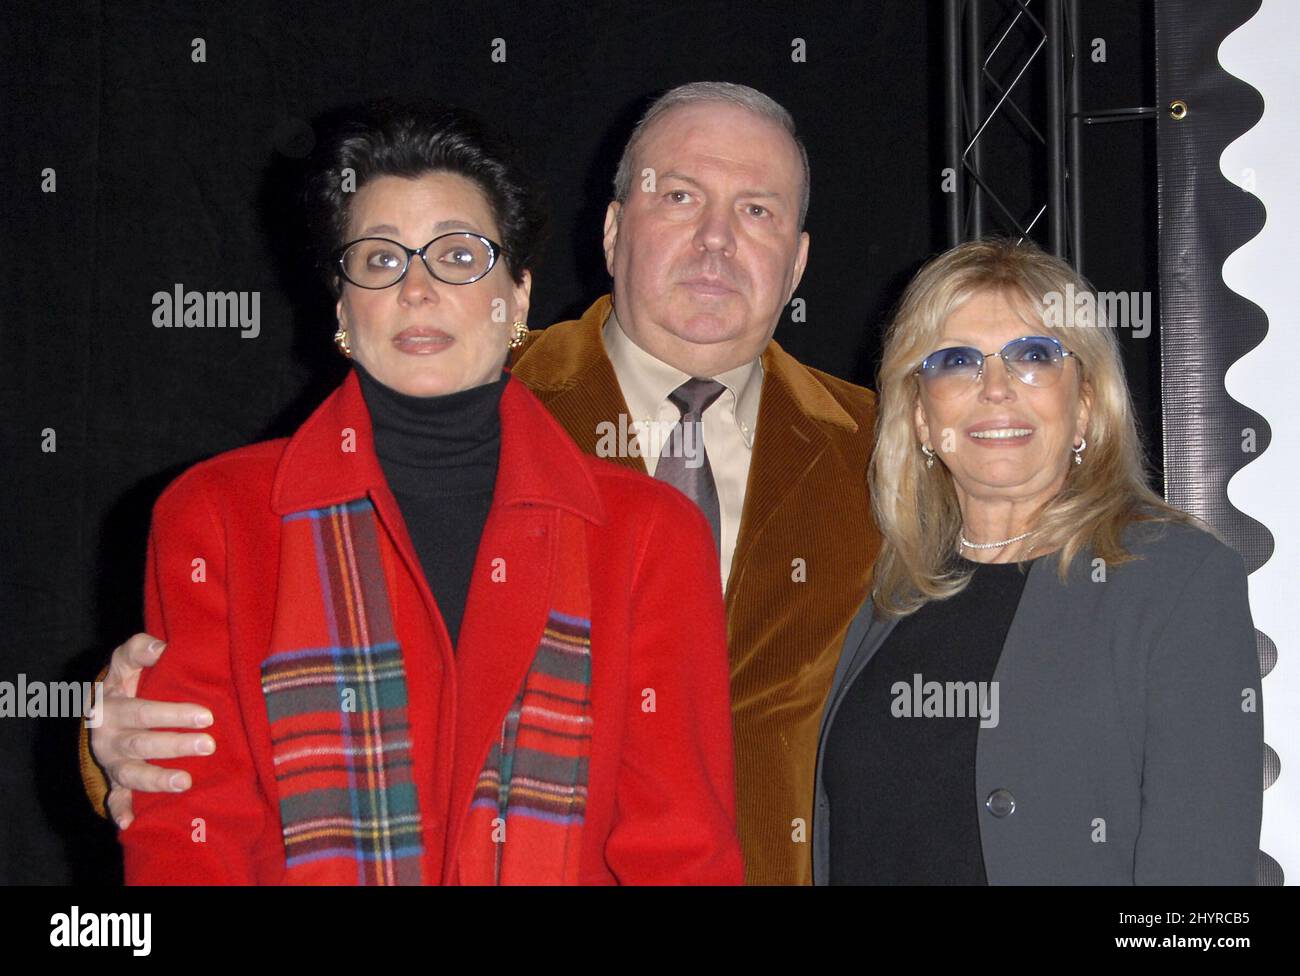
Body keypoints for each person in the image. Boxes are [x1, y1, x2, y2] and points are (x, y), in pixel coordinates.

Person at [83, 82, 880, 885]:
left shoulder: (888, 452)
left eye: (755, 211)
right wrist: (111, 744)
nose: (715, 239)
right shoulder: (463, 386)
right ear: (611, 231)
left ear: (799, 259)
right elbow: (192, 780)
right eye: (679, 196)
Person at [813, 238, 1263, 884]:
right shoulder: (889, 590)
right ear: (917, 415)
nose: (995, 389)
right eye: (956, 361)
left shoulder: (1177, 585)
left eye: (1033, 356)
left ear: (1083, 404)